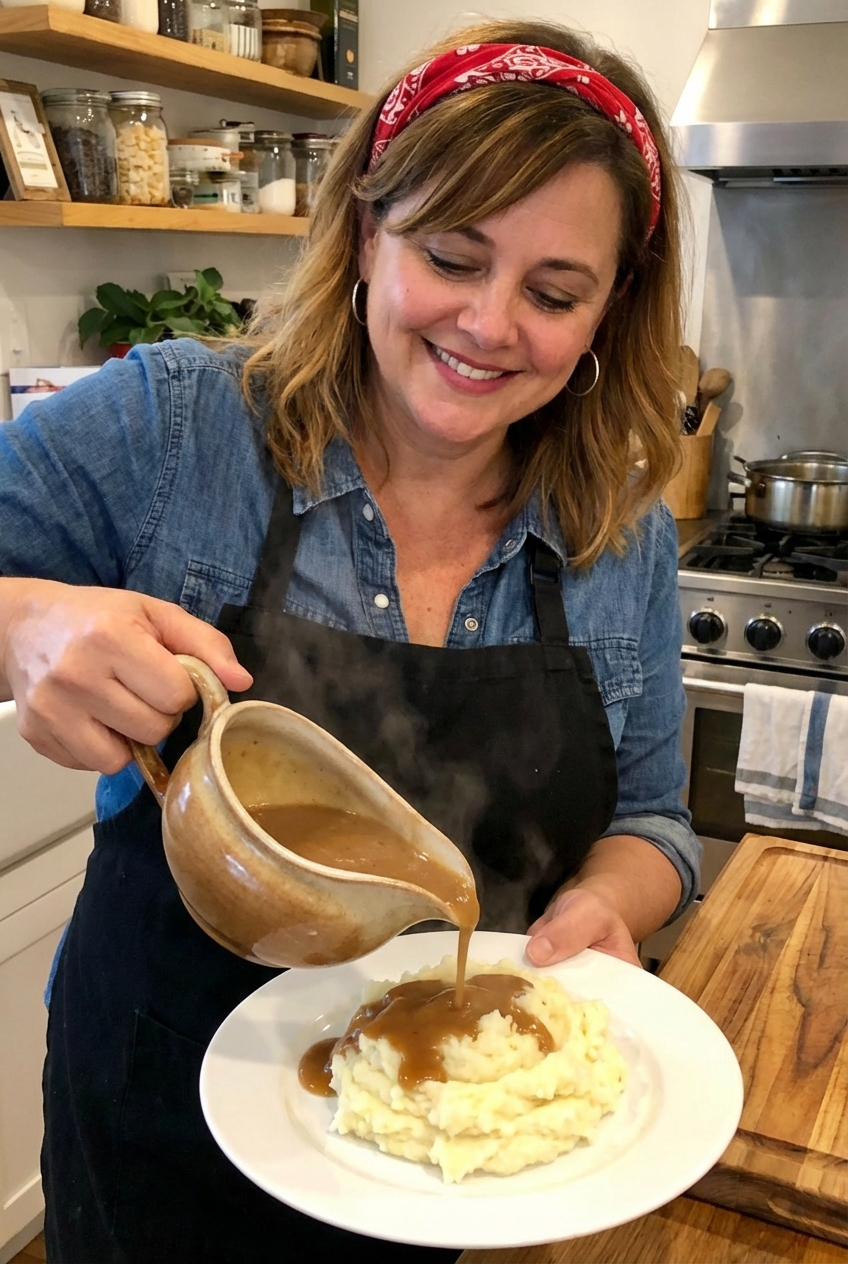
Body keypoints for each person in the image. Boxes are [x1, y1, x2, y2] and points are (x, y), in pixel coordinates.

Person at [0, 17, 700, 1263]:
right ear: (367, 229)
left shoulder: (622, 537)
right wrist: (22, 622)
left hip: (468, 1156)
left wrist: (606, 902)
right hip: (151, 1122)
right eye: (451, 254)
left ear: (609, 312)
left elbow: (653, 817)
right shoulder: (176, 431)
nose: (490, 324)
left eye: (553, 292)